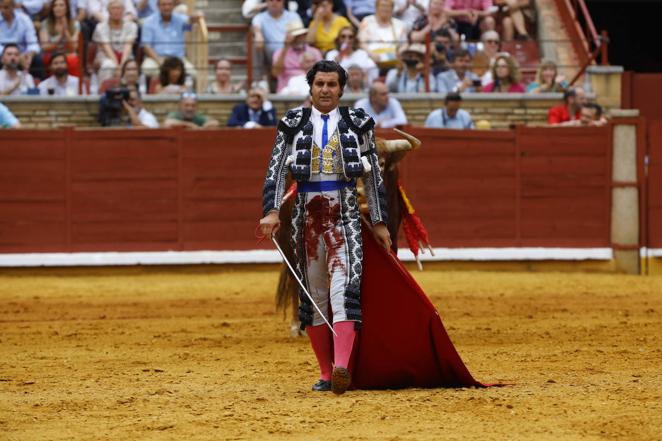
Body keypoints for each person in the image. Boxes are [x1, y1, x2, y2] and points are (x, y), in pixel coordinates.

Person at [259, 60, 390, 395]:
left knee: (343, 292)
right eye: (320, 84)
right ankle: (325, 372)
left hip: (344, 215)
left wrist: (378, 220)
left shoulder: (358, 123)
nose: (326, 90)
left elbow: (373, 175)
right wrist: (272, 212)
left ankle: (342, 366)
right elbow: (275, 171)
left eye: (332, 85)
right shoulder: (292, 123)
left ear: (342, 89)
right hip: (306, 220)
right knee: (313, 297)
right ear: (310, 87)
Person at [140, 0, 202, 79]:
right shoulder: (149, 22)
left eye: (169, 4)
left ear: (173, 6)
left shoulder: (181, 19)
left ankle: (185, 90)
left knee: (192, 72)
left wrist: (194, 18)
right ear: (158, 6)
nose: (167, 7)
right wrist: (160, 61)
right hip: (157, 58)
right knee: (147, 69)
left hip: (178, 59)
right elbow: (146, 46)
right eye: (164, 5)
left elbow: (189, 27)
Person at [251, 0, 302, 88]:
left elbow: (300, 36)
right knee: (257, 43)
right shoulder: (259, 17)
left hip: (290, 51)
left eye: (278, 0)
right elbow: (256, 29)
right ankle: (258, 80)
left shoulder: (293, 16)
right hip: (270, 54)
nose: (274, 2)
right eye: (271, 0)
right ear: (266, 2)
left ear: (283, 2)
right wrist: (258, 35)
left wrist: (288, 44)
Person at [92, 0, 137, 84]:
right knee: (109, 66)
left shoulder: (132, 26)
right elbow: (106, 47)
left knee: (130, 66)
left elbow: (128, 46)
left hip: (126, 55)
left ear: (124, 10)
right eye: (113, 8)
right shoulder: (100, 27)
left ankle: (130, 90)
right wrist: (118, 67)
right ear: (108, 11)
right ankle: (104, 90)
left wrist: (122, 65)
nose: (116, 11)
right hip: (106, 56)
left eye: (119, 8)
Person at [271, 20, 322, 93]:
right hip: (287, 91)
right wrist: (285, 47)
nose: (300, 38)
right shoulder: (279, 53)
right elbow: (275, 73)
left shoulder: (314, 52)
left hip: (310, 89)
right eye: (296, 36)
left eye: (302, 34)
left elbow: (322, 73)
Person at [357, 0, 407, 73]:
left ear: (392, 9)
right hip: (372, 60)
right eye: (383, 6)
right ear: (376, 8)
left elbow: (405, 44)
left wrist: (400, 53)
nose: (385, 9)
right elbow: (361, 42)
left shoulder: (400, 24)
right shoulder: (367, 21)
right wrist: (371, 54)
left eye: (388, 6)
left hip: (394, 60)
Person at [0, 0, 42, 78]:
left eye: (5, 8)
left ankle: (36, 86)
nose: (2, 11)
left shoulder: (24, 19)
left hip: (23, 54)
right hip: (2, 54)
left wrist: (30, 55)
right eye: (0, 8)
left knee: (37, 60)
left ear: (13, 7)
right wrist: (10, 55)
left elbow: (33, 43)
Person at [39, 0, 80, 77]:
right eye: (55, 5)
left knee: (73, 59)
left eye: (61, 5)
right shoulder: (45, 24)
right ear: (52, 9)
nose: (58, 8)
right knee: (55, 61)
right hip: (51, 55)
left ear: (67, 8)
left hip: (68, 55)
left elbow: (73, 48)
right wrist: (61, 36)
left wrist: (66, 31)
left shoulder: (75, 24)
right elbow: (45, 47)